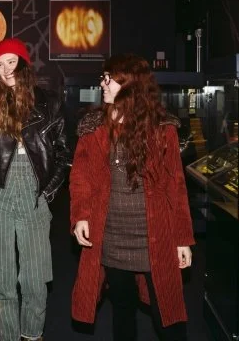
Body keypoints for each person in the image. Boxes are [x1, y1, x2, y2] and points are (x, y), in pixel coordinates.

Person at [70, 54, 194, 341]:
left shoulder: (163, 128)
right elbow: (80, 178)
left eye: (108, 78)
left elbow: (176, 186)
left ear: (129, 85)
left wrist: (182, 238)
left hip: (155, 234)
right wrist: (80, 217)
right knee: (122, 309)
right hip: (111, 233)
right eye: (103, 77)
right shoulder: (92, 127)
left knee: (168, 315)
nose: (103, 83)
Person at [0, 38, 71, 341]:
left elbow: (63, 153)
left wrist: (48, 191)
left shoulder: (49, 101)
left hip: (33, 191)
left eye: (11, 61)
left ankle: (33, 335)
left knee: (35, 280)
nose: (6, 69)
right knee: (3, 281)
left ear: (24, 63)